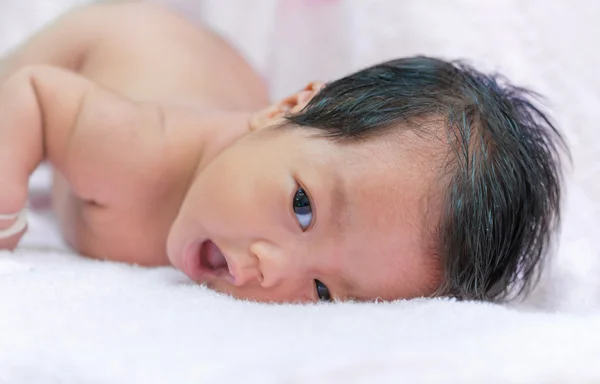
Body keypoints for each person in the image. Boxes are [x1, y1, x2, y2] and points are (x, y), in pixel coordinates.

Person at [0, 2, 566, 303]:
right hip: (118, 35)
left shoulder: (253, 200)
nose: (273, 269)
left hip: (229, 78)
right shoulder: (134, 152)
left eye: (322, 293)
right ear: (284, 108)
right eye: (302, 207)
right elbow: (32, 92)